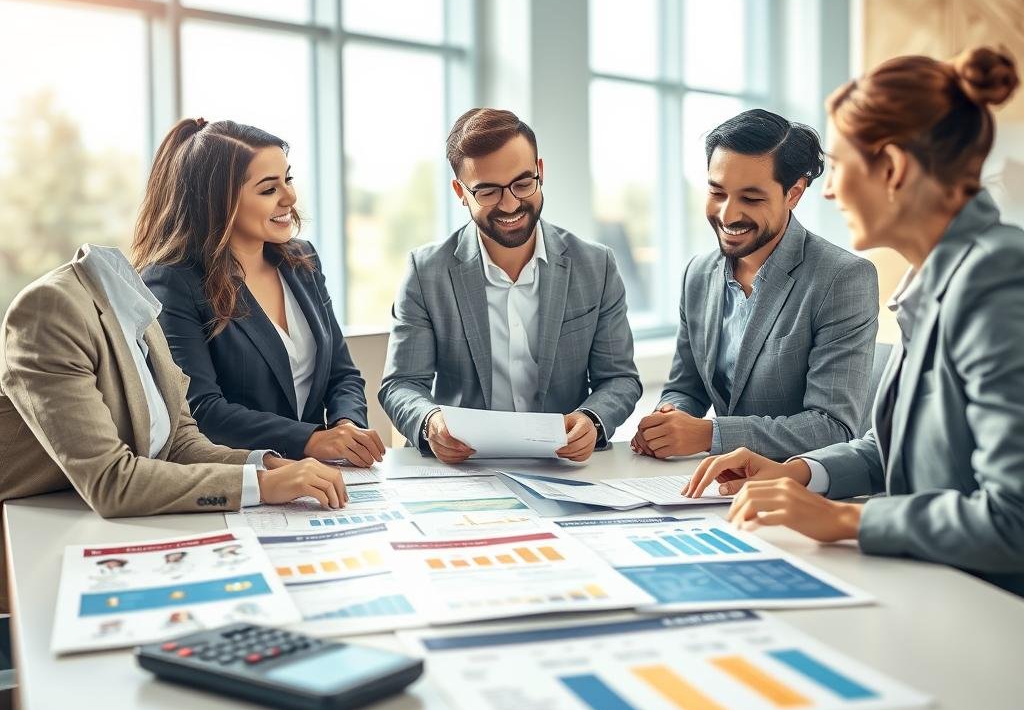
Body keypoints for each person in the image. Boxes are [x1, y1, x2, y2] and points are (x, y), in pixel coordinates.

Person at [686, 46, 1024, 597]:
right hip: (934, 587)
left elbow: (1014, 516)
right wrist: (798, 473)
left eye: (840, 167)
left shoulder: (998, 278)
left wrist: (847, 521)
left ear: (892, 169)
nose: (829, 189)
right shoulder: (940, 275)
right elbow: (893, 450)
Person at [0, 245, 349, 518]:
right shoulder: (51, 309)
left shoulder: (133, 304)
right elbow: (110, 481)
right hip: (31, 533)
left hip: (90, 519)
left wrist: (266, 463)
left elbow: (179, 444)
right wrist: (262, 484)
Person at [379, 108, 642, 464]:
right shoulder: (426, 273)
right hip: (465, 470)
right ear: (460, 191)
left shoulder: (596, 266)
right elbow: (402, 384)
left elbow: (620, 379)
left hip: (565, 466)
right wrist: (430, 423)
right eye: (487, 191)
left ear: (541, 172)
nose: (510, 203)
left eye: (522, 183)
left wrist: (592, 421)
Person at [632, 109, 878, 462]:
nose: (728, 215)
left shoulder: (842, 279)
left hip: (797, 489)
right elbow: (688, 386)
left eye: (751, 199)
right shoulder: (698, 274)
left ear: (793, 193)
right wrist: (669, 415)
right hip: (717, 484)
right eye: (717, 192)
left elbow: (832, 427)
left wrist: (709, 435)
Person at [137, 119, 385, 467]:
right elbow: (201, 410)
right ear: (219, 202)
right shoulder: (172, 282)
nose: (290, 197)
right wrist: (310, 440)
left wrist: (346, 428)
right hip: (243, 477)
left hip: (320, 474)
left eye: (289, 179)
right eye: (269, 189)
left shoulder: (302, 261)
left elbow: (341, 373)